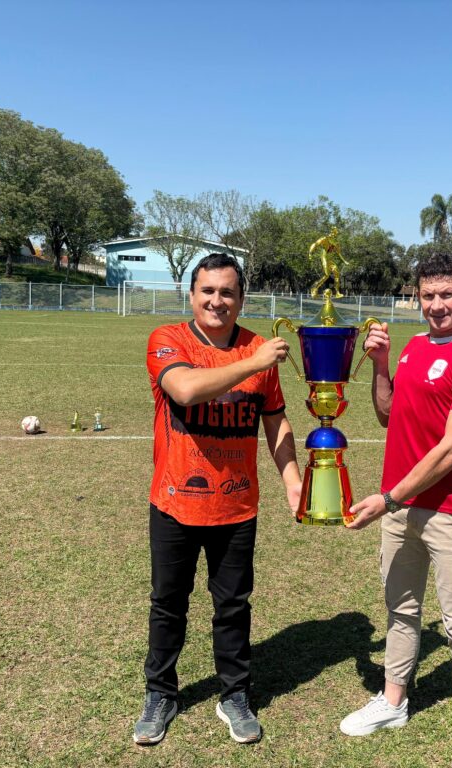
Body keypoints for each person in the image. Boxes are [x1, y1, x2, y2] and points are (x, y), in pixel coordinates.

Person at [339, 251, 452, 768]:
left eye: (446, 295)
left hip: (451, 512)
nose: (435, 306)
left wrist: (390, 497)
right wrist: (383, 366)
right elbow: (388, 414)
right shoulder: (413, 347)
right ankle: (393, 703)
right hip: (400, 510)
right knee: (401, 611)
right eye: (427, 295)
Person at [133, 253, 303, 747]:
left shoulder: (258, 351)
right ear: (192, 295)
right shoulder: (168, 341)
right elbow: (185, 390)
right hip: (174, 502)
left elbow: (276, 421)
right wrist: (251, 361)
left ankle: (234, 695)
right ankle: (160, 693)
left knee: (233, 606)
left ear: (241, 299)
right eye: (207, 290)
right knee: (168, 604)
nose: (216, 300)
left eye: (227, 292)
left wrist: (292, 479)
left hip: (236, 506)